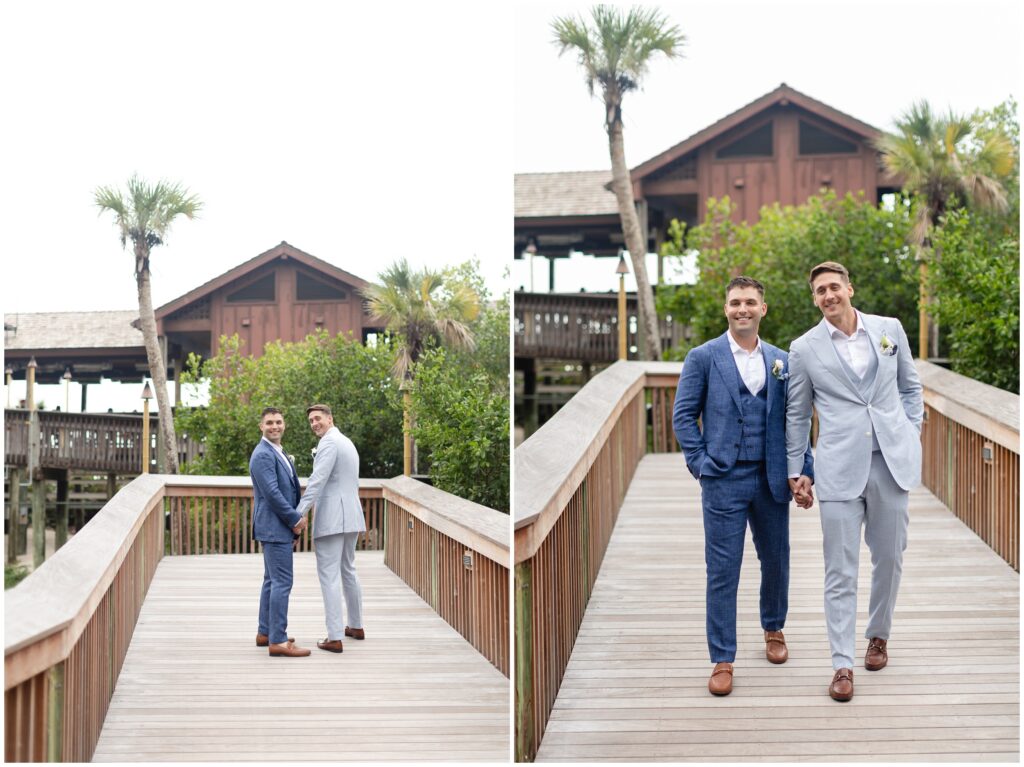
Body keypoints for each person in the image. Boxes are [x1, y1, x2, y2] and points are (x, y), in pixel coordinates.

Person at [785, 261, 923, 702]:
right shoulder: (804, 348)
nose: (828, 296)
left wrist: (909, 432)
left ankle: (878, 635)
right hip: (838, 467)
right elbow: (797, 414)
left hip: (890, 461)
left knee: (890, 557)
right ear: (814, 298)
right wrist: (797, 469)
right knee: (839, 570)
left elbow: (911, 388)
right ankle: (841, 664)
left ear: (849, 288)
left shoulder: (889, 329)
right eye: (820, 291)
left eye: (834, 287)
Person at [673, 276, 814, 696]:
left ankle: (774, 629)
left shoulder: (782, 361)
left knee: (776, 560)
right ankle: (722, 657)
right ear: (726, 308)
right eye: (735, 302)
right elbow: (684, 417)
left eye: (750, 302)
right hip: (723, 479)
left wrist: (803, 466)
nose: (743, 309)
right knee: (722, 570)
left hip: (771, 478)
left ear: (763, 309)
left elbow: (798, 421)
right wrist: (701, 465)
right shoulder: (703, 357)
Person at [296, 404, 366, 653]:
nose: (314, 423)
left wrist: (299, 513)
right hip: (352, 515)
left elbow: (317, 481)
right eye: (311, 420)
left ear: (330, 418)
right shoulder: (347, 442)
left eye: (318, 418)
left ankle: (334, 636)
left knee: (329, 575)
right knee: (348, 569)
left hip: (333, 518)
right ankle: (356, 625)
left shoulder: (328, 443)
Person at [250, 407, 310, 658]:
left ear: (284, 424)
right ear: (261, 426)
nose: (275, 426)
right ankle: (278, 640)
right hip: (275, 527)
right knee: (282, 583)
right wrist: (295, 520)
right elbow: (273, 494)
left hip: (277, 527)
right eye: (269, 423)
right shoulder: (263, 455)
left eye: (278, 422)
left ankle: (266, 632)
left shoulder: (278, 451)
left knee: (271, 581)